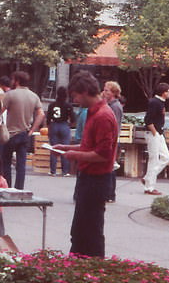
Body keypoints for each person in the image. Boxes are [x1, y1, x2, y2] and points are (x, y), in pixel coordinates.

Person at [60, 71, 118, 258]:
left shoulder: (102, 116)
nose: (75, 100)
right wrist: (67, 147)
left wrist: (74, 155)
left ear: (84, 91)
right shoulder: (95, 113)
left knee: (90, 231)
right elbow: (90, 146)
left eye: (76, 95)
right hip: (89, 178)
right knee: (80, 231)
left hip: (96, 180)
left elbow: (103, 155)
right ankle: (78, 267)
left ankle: (92, 270)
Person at [0, 71, 45, 190]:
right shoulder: (34, 96)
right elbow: (41, 114)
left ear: (17, 81)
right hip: (25, 133)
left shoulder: (10, 95)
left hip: (10, 133)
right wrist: (32, 130)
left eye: (13, 79)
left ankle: (7, 187)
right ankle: (19, 189)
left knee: (6, 163)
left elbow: (1, 111)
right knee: (21, 165)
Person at [142, 82, 169, 196]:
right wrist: (155, 133)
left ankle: (148, 178)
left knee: (166, 157)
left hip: (158, 133)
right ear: (164, 92)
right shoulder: (154, 102)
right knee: (154, 159)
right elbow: (148, 119)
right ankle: (149, 187)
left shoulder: (160, 103)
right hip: (154, 133)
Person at [101, 81, 124, 202]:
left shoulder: (115, 107)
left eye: (107, 90)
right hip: (110, 140)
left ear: (114, 93)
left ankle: (110, 194)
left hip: (112, 141)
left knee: (110, 167)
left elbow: (114, 125)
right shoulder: (110, 105)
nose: (104, 92)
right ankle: (108, 193)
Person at [46, 86, 74, 177]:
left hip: (54, 125)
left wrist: (49, 127)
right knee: (64, 148)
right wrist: (68, 124)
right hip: (64, 125)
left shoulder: (52, 105)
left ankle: (53, 171)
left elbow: (48, 118)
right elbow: (73, 118)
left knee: (53, 148)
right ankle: (65, 171)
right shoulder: (68, 105)